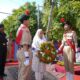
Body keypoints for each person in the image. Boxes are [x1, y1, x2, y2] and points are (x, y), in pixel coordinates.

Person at [16, 13, 32, 80]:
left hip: (21, 51)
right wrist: (27, 57)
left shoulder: (21, 28)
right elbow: (25, 44)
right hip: (24, 52)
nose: (29, 21)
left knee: (22, 70)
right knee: (24, 72)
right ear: (24, 21)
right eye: (28, 20)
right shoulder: (25, 30)